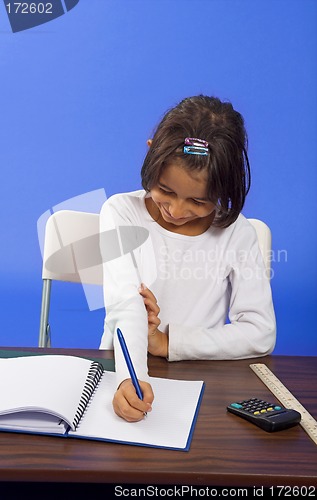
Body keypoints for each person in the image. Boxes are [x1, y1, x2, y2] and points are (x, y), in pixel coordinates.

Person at [99, 95, 276, 422]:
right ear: (151, 152)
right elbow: (125, 305)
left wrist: (166, 342)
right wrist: (131, 376)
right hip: (125, 371)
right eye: (165, 190)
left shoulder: (238, 233)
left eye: (197, 200)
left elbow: (260, 332)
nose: (177, 210)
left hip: (200, 383)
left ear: (227, 186)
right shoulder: (119, 213)